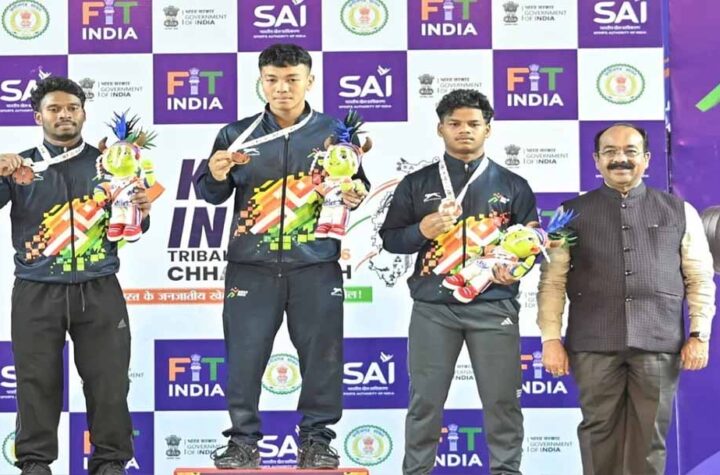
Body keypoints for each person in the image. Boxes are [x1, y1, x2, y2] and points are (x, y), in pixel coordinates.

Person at [197, 43, 369, 470]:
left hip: (316, 264)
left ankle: (316, 441)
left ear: (310, 81)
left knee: (323, 359)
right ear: (261, 81)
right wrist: (214, 174)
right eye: (272, 79)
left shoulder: (335, 133)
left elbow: (358, 185)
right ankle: (242, 443)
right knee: (244, 358)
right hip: (250, 268)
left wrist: (355, 193)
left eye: (292, 79)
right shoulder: (236, 134)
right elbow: (211, 193)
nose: (282, 88)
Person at [537, 123, 716, 475]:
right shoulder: (568, 214)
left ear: (646, 159)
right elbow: (552, 282)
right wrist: (550, 339)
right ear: (596, 160)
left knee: (649, 441)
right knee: (597, 436)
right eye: (610, 152)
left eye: (631, 151)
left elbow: (699, 278)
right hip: (592, 344)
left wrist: (699, 334)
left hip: (658, 343)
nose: (620, 159)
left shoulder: (680, 211)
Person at [0, 77, 153, 475]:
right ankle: (35, 463)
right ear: (39, 117)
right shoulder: (20, 166)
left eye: (72, 108)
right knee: (36, 382)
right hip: (36, 290)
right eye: (54, 109)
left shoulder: (110, 163)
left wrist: (141, 209)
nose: (64, 115)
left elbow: (136, 227)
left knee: (109, 382)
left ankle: (110, 462)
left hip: (99, 287)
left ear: (84, 113)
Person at [380, 89, 537, 475]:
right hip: (433, 309)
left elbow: (530, 246)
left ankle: (506, 471)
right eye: (455, 124)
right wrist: (421, 230)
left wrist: (514, 270)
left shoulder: (514, 185)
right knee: (425, 402)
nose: (464, 130)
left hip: (494, 307)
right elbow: (391, 239)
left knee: (502, 401)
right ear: (440, 129)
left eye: (473, 124)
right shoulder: (417, 183)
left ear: (488, 129)